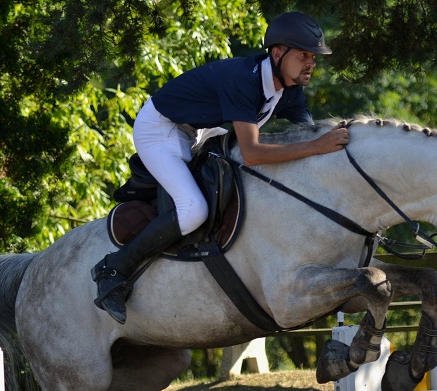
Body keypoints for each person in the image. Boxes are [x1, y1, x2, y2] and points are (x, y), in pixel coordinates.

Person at [92, 12, 350, 324]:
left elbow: (309, 135)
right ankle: (113, 270)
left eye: (313, 56)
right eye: (303, 55)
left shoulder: (290, 88)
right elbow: (254, 153)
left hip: (201, 129)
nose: (311, 63)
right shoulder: (245, 79)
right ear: (278, 53)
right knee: (193, 209)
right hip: (161, 128)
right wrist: (317, 146)